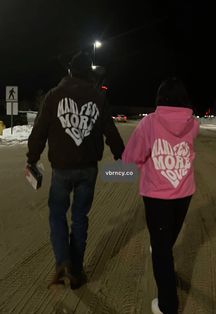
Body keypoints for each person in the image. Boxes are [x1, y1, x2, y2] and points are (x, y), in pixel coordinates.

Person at [26, 51, 125, 289]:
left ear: (70, 71)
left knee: (57, 214)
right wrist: (121, 154)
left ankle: (62, 260)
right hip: (88, 169)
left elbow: (39, 131)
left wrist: (32, 158)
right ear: (89, 72)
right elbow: (109, 129)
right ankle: (76, 270)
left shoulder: (54, 95)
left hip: (61, 169)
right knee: (80, 218)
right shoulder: (98, 98)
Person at [122, 77, 199, 314]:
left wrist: (117, 170)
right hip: (184, 192)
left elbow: (132, 157)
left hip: (157, 195)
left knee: (161, 250)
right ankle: (162, 254)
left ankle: (167, 305)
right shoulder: (193, 123)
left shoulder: (150, 124)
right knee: (166, 241)